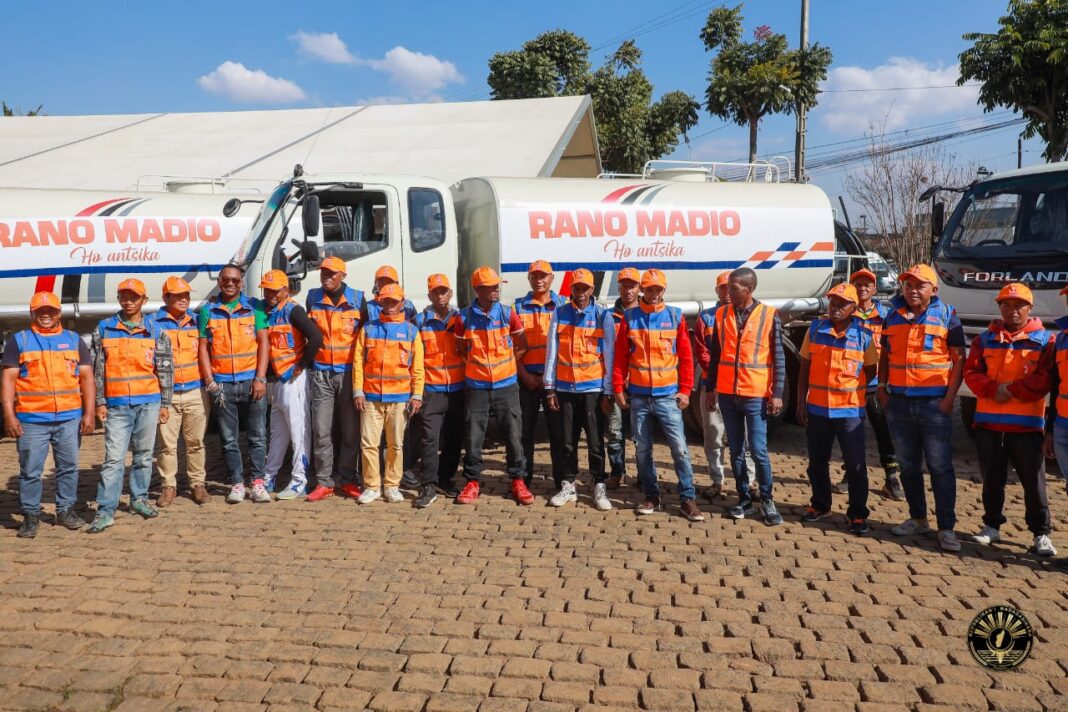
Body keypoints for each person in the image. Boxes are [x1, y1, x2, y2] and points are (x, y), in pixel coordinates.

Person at [878, 264, 966, 552]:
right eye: (908, 285)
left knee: (940, 467)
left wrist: (949, 398)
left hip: (933, 405)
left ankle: (946, 528)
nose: (913, 290)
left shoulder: (948, 316)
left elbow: (958, 360)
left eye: (920, 285)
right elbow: (885, 356)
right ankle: (917, 518)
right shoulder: (892, 316)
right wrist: (882, 388)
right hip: (900, 403)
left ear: (934, 290)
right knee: (908, 465)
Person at [964, 283, 1055, 556]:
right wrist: (993, 389)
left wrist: (1011, 390)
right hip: (989, 425)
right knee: (992, 481)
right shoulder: (984, 340)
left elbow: (1046, 378)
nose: (1012, 311)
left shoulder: (1045, 341)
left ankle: (1041, 533)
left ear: (1030, 308)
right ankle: (991, 526)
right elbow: (972, 372)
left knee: (1034, 483)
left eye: (1018, 305)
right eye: (1005, 305)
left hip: (1027, 426)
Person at [612, 269, 704, 521]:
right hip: (639, 397)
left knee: (680, 449)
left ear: (664, 290)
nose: (653, 294)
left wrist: (686, 390)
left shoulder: (675, 317)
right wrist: (618, 388)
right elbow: (620, 357)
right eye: (649, 289)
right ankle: (652, 496)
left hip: (667, 397)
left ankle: (687, 498)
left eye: (658, 290)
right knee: (642, 450)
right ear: (642, 290)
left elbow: (686, 357)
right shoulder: (630, 318)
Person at [2, 292, 95, 538]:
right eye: (41, 311)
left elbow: (86, 378)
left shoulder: (74, 340)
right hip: (32, 420)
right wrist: (9, 415)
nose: (46, 315)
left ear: (58, 313)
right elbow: (8, 381)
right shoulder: (19, 341)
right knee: (31, 470)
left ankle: (65, 510)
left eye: (51, 311)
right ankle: (31, 515)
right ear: (32, 313)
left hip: (69, 418)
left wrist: (89, 412)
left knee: (68, 467)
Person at [89, 278, 173, 533]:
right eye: (124, 296)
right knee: (113, 459)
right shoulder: (104, 328)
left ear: (144, 300)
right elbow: (97, 370)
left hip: (148, 402)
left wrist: (165, 403)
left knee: (144, 456)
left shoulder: (156, 332)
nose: (128, 301)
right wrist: (100, 402)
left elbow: (166, 370)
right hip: (116, 406)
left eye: (133, 297)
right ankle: (105, 510)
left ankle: (139, 499)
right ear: (118, 299)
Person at [705, 267, 786, 526]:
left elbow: (779, 358)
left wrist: (777, 394)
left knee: (759, 450)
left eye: (733, 288)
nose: (728, 292)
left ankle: (767, 499)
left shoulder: (769, 315)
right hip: (728, 394)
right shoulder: (721, 315)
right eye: (727, 287)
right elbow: (716, 356)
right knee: (736, 450)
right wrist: (710, 388)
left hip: (755, 394)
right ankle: (744, 499)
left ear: (749, 289)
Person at [795, 283, 877, 535]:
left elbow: (871, 371)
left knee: (855, 465)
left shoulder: (864, 336)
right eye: (832, 303)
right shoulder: (815, 329)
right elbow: (804, 369)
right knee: (817, 462)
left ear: (853, 308)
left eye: (842, 304)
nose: (836, 308)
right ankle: (820, 505)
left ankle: (857, 514)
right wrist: (800, 402)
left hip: (849, 412)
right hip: (818, 409)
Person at [454, 266, 531, 504]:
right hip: (477, 387)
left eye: (497, 285)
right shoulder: (464, 317)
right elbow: (461, 350)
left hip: (506, 386)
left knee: (513, 435)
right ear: (478, 289)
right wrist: (478, 369)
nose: (496, 289)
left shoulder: (508, 314)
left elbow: (522, 344)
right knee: (474, 436)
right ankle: (472, 482)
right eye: (490, 286)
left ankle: (518, 480)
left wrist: (506, 366)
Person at [543, 268, 615, 510]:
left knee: (595, 442)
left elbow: (609, 356)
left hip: (592, 390)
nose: (580, 292)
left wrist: (607, 392)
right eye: (576, 288)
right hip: (565, 389)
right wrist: (550, 388)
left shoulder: (602, 316)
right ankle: (568, 485)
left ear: (592, 290)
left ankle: (599, 485)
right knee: (567, 441)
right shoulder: (560, 314)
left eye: (585, 288)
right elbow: (551, 352)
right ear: (570, 289)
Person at [198, 264, 270, 505]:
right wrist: (209, 382)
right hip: (222, 386)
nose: (230, 284)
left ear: (241, 282)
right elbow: (203, 349)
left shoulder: (255, 307)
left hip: (251, 382)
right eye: (226, 279)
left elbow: (264, 344)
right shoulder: (208, 311)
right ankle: (237, 484)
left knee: (257, 436)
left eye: (235, 280)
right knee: (228, 440)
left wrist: (261, 378)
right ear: (219, 281)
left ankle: (258, 483)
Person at [833, 268, 904, 501]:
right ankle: (849, 474)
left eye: (867, 284)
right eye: (858, 284)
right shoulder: (845, 314)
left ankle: (891, 477)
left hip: (876, 384)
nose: (863, 288)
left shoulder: (887, 315)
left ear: (875, 289)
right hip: (851, 385)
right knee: (851, 432)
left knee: (884, 431)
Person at [352, 284, 424, 504]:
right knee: (368, 444)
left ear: (402, 303)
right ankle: (372, 486)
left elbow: (418, 367)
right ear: (379, 302)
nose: (390, 306)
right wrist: (358, 391)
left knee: (396, 445)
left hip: (400, 399)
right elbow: (358, 362)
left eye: (394, 302)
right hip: (371, 398)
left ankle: (392, 485)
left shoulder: (411, 331)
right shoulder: (368, 329)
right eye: (386, 301)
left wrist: (417, 395)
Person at [260, 270, 323, 501]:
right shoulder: (269, 312)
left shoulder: (293, 310)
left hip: (293, 380)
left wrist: (302, 365)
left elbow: (315, 337)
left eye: (275, 290)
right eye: (267, 290)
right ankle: (270, 476)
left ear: (286, 290)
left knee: (299, 431)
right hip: (276, 381)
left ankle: (299, 481)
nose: (270, 294)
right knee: (277, 432)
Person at [306, 256, 364, 501]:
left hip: (349, 374)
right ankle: (324, 481)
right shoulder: (312, 298)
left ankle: (348, 479)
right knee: (321, 430)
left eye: (331, 274)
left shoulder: (359, 300)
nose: (326, 277)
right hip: (321, 373)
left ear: (343, 275)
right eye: (323, 273)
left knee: (350, 431)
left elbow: (366, 339)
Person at [694, 270, 754, 501]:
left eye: (730, 288)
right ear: (717, 290)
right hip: (715, 387)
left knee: (746, 439)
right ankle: (717, 480)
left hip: (743, 387)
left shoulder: (748, 316)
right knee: (713, 436)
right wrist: (718, 378)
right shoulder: (707, 318)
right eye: (722, 288)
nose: (727, 292)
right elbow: (703, 352)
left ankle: (750, 482)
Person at [151, 277, 210, 507]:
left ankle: (198, 484)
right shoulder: (153, 324)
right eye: (177, 296)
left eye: (186, 295)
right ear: (166, 298)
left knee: (196, 441)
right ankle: (168, 486)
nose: (183, 300)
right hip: (168, 395)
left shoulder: (197, 322)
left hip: (195, 390)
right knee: (167, 445)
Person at [412, 274, 465, 508]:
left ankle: (446, 478)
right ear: (429, 295)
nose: (440, 296)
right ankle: (428, 485)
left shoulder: (461, 319)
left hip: (458, 388)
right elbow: (412, 357)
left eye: (444, 291)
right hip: (431, 390)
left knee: (455, 438)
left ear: (450, 294)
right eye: (436, 292)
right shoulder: (420, 321)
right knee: (429, 440)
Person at [515, 260, 567, 487]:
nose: (539, 280)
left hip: (553, 381)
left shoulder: (563, 305)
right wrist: (524, 375)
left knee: (558, 433)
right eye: (534, 276)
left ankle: (562, 480)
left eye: (543, 275)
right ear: (528, 279)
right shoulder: (517, 308)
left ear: (552, 278)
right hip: (526, 378)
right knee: (524, 433)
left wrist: (551, 379)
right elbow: (511, 349)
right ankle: (523, 478)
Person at [606, 268, 640, 490]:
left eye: (632, 286)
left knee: (640, 434)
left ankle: (644, 473)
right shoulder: (608, 316)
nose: (628, 290)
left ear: (639, 288)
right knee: (614, 431)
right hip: (615, 382)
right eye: (624, 285)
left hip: (639, 383)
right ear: (618, 287)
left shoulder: (644, 314)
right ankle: (617, 472)